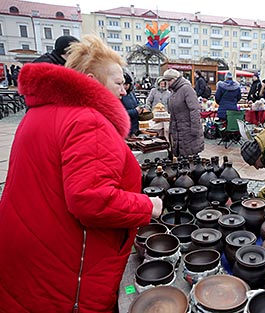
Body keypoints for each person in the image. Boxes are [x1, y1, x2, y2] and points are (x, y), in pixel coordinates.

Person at [0, 34, 163, 312]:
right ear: (90, 79)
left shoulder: (41, 112)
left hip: (30, 254)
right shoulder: (87, 120)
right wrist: (148, 205)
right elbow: (91, 199)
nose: (124, 90)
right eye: (118, 82)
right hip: (65, 265)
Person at [163, 68, 204, 156]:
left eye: (168, 81)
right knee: (181, 157)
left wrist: (195, 130)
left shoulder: (186, 89)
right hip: (179, 130)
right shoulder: (174, 91)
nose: (167, 83)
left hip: (188, 130)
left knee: (190, 157)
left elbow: (195, 110)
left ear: (174, 79)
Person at [122, 72, 144, 136]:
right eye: (123, 84)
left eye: (126, 84)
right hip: (126, 128)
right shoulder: (118, 95)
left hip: (134, 127)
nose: (125, 86)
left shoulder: (131, 93)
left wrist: (140, 107)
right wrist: (135, 111)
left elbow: (137, 102)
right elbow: (120, 113)